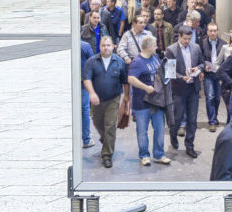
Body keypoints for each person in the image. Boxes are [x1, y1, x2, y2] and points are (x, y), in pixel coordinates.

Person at [83, 34, 128, 169]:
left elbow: (125, 81)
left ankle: (107, 155)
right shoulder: (91, 62)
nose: (106, 48)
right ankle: (106, 139)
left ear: (113, 47)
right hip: (97, 100)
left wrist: (127, 98)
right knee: (98, 123)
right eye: (103, 45)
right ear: (99, 47)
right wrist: (91, 93)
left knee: (110, 126)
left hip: (113, 99)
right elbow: (86, 79)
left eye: (108, 45)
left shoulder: (119, 62)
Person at [126, 34, 168, 166]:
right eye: (155, 45)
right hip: (142, 102)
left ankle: (159, 154)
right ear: (149, 47)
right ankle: (144, 155)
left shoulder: (154, 57)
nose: (157, 47)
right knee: (142, 131)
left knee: (160, 129)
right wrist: (145, 87)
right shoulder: (137, 62)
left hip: (157, 101)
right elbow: (131, 79)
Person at [167, 24, 205, 159]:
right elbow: (170, 72)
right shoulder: (171, 50)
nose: (187, 41)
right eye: (185, 39)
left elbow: (202, 63)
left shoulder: (196, 48)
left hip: (193, 89)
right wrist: (182, 77)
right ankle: (173, 140)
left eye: (189, 39)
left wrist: (198, 69)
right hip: (178, 89)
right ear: (179, 37)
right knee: (176, 119)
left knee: (192, 119)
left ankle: (190, 146)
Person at [200, 21, 229, 131]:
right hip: (208, 73)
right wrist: (205, 65)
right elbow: (200, 58)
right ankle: (212, 121)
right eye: (210, 31)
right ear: (207, 32)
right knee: (210, 97)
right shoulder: (202, 43)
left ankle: (215, 116)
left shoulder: (223, 43)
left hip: (219, 74)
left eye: (215, 31)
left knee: (217, 97)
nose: (213, 33)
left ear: (218, 32)